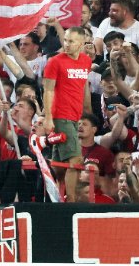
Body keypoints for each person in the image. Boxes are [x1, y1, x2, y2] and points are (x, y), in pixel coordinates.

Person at [43, 26, 93, 202]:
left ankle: (53, 194)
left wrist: (86, 110)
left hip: (75, 116)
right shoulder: (55, 62)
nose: (67, 44)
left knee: (60, 165)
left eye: (71, 41)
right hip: (61, 115)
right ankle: (70, 200)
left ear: (81, 43)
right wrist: (48, 117)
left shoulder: (86, 61)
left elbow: (81, 88)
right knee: (76, 159)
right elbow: (48, 90)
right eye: (65, 40)